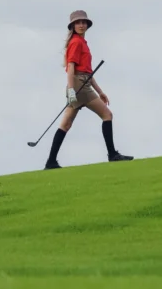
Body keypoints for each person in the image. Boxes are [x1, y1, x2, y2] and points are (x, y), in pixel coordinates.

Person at [44, 10, 133, 170]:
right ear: (73, 25)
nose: (81, 25)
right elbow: (71, 68)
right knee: (107, 114)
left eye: (84, 22)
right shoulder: (76, 42)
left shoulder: (82, 42)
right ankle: (112, 154)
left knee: (65, 125)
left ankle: (51, 161)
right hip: (79, 85)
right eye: (78, 22)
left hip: (81, 83)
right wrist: (71, 89)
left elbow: (88, 72)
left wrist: (100, 92)